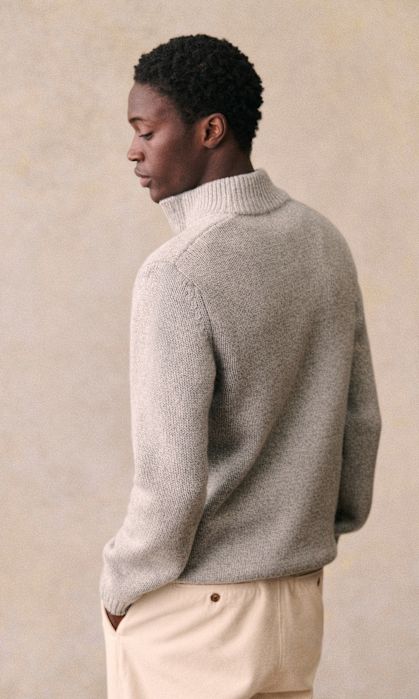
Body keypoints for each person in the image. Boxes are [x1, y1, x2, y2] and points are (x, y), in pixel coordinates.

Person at [98, 33, 382, 699]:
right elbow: (361, 421)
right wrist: (305, 537)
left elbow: (170, 480)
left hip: (195, 611)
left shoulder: (177, 272)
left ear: (210, 130)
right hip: (294, 603)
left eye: (146, 130)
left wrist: (119, 587)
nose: (133, 150)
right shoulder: (323, 241)